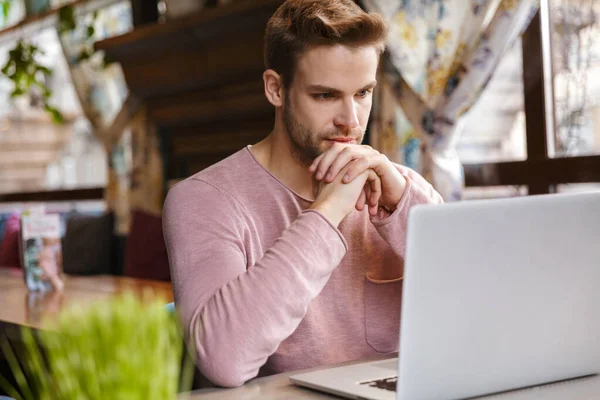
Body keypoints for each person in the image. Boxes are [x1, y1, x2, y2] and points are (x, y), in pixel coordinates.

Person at [163, 0, 443, 388]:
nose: (352, 120)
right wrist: (327, 213)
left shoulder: (400, 188)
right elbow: (224, 361)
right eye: (326, 96)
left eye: (363, 92)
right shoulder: (203, 200)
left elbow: (480, 311)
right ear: (276, 89)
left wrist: (403, 207)